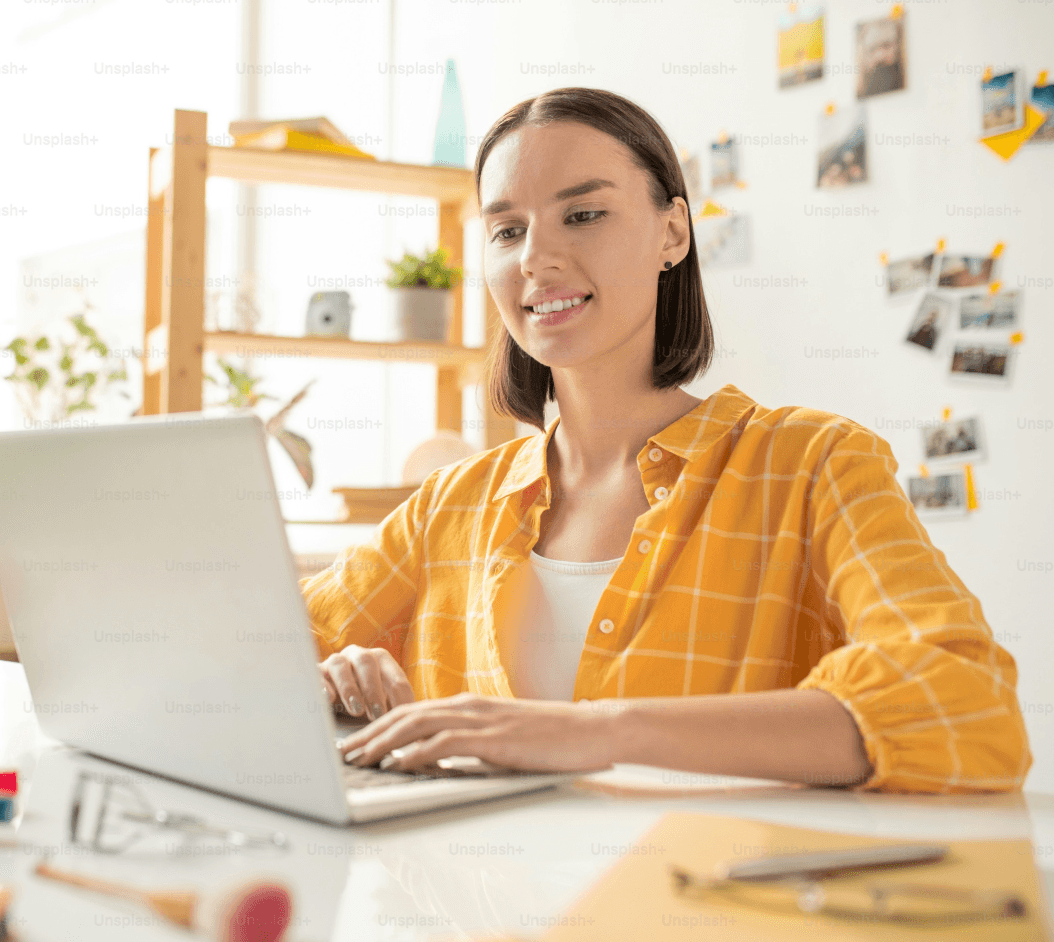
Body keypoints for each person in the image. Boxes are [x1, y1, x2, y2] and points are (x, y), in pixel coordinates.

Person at [301, 87, 1029, 794]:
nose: (533, 258)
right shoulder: (449, 506)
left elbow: (966, 704)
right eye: (506, 230)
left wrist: (598, 732)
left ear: (672, 232)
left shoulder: (812, 464)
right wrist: (332, 675)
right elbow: (242, 648)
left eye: (582, 214)